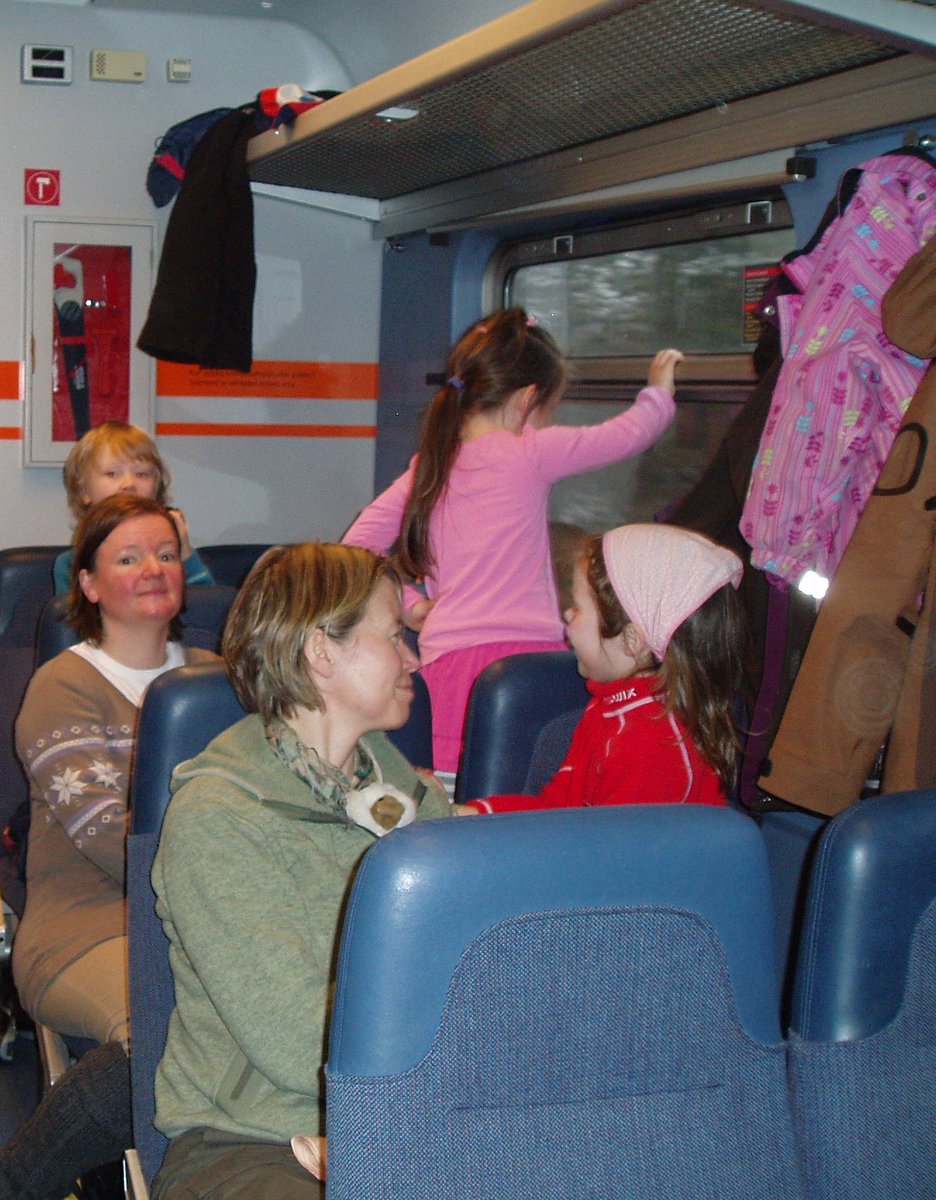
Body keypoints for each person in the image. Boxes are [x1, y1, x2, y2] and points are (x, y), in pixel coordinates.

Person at [151, 542, 452, 1200]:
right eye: (394, 635)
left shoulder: (418, 801)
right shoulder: (220, 817)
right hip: (252, 1138)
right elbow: (296, 1041)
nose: (413, 659)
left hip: (418, 1117)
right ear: (321, 652)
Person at [0, 492, 219, 1200]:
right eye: (128, 558)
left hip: (208, 919)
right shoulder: (63, 686)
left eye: (166, 554)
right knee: (167, 1043)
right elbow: (111, 839)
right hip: (86, 928)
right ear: (89, 583)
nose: (154, 569)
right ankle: (9, 1185)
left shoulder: (217, 676)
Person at [342, 309, 680, 777]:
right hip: (529, 662)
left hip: (448, 667)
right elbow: (627, 435)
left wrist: (410, 604)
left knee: (451, 785)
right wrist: (658, 393)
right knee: (529, 787)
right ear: (527, 400)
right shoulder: (530, 451)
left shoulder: (430, 465)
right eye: (549, 410)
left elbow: (356, 548)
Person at [457, 524, 745, 814]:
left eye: (579, 607)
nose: (567, 613)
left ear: (632, 640)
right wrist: (471, 814)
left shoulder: (649, 745)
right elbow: (557, 808)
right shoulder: (612, 708)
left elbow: (604, 842)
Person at [54, 420, 213, 596]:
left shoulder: (175, 553)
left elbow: (207, 605)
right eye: (112, 474)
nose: (129, 484)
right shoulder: (70, 564)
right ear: (83, 490)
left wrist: (183, 551)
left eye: (142, 474)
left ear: (156, 487)